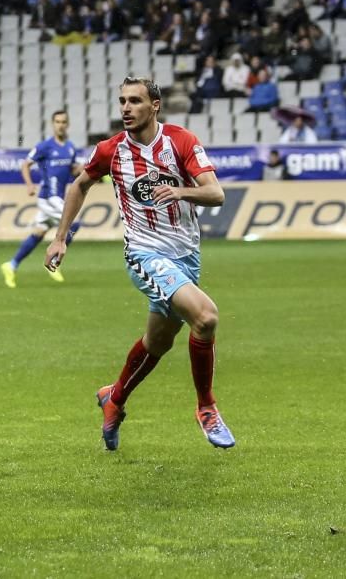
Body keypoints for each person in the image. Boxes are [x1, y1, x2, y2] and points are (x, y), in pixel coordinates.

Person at [44, 77, 235, 452]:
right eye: (122, 102)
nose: (126, 108)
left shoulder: (181, 141)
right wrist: (60, 236)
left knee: (158, 342)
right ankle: (207, 408)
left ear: (155, 105)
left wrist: (181, 189)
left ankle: (114, 398)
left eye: (134, 101)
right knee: (206, 318)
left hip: (185, 256)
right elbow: (78, 185)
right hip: (144, 254)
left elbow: (215, 193)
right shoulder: (111, 150)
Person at [1, 111, 82, 288]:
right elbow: (25, 164)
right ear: (53, 124)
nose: (60, 125)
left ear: (67, 124)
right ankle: (54, 260)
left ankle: (11, 265)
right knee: (74, 223)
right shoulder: (45, 146)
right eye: (57, 121)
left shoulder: (70, 147)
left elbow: (73, 170)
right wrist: (29, 184)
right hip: (48, 196)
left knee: (38, 233)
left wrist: (83, 169)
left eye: (63, 122)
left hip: (58, 196)